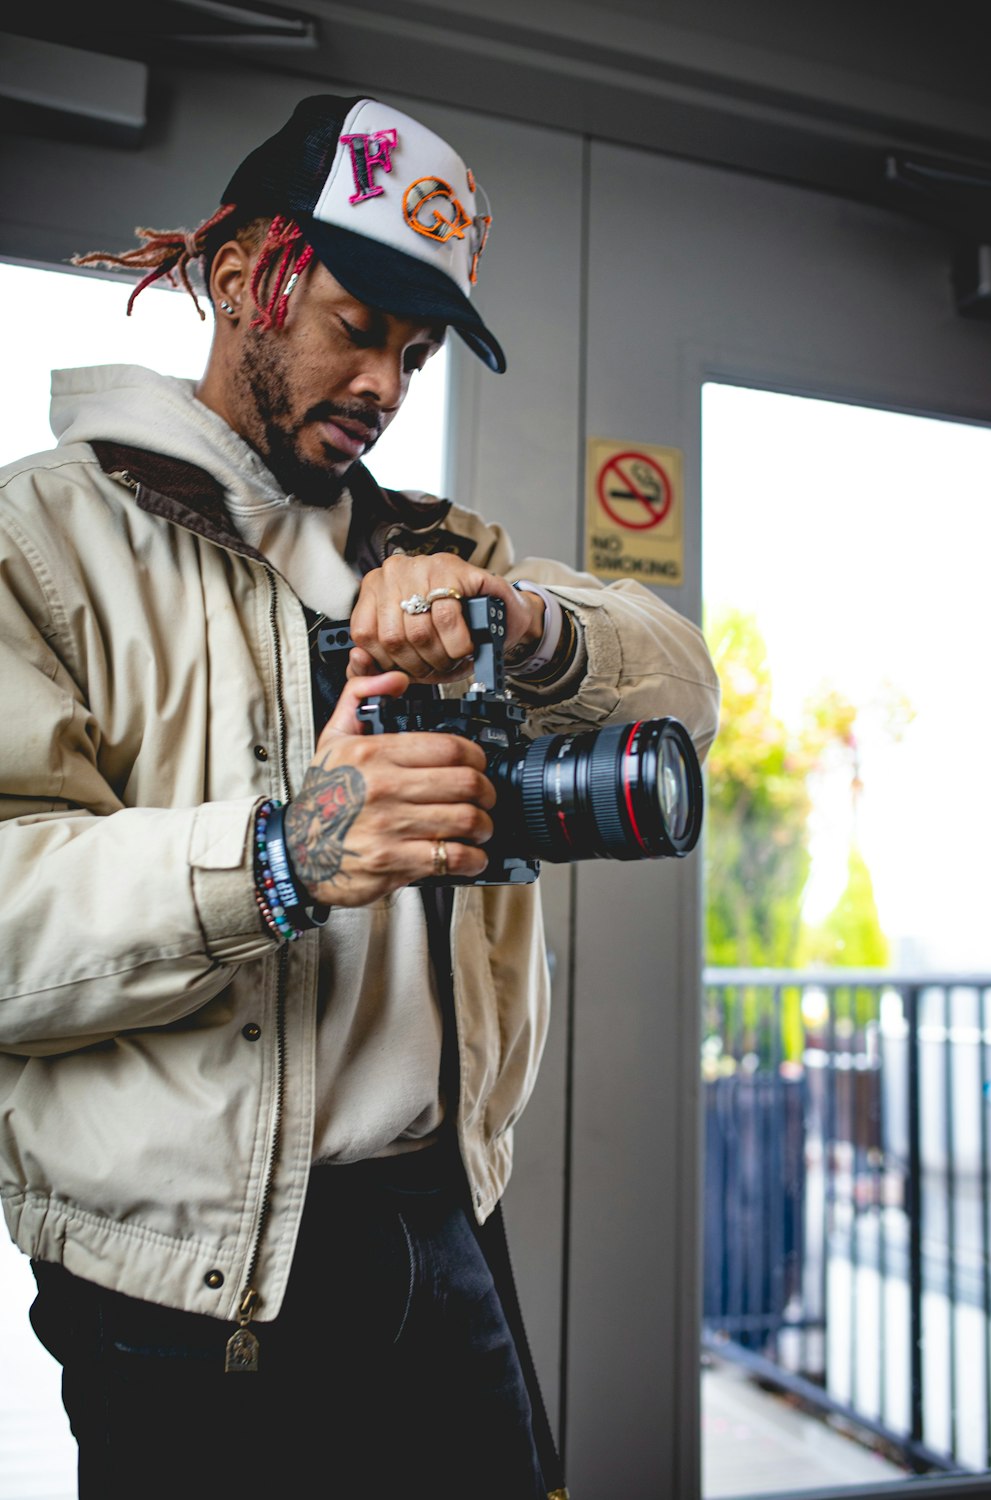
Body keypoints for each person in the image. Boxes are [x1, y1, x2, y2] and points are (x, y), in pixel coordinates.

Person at [0, 94, 720, 1498]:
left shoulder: (452, 549)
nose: (389, 384)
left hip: (444, 1221)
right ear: (238, 280)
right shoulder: (42, 541)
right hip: (190, 1295)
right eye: (358, 325)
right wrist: (283, 856)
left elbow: (682, 691)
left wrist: (528, 615)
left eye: (418, 349)